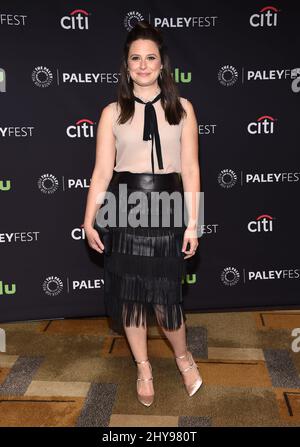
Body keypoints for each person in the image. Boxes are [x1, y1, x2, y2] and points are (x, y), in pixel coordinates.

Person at [84, 20, 202, 407]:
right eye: (136, 58)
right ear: (126, 64)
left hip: (167, 208)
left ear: (162, 64)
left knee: (167, 300)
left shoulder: (183, 109)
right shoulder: (111, 112)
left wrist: (193, 223)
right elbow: (102, 171)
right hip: (125, 207)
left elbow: (190, 170)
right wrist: (89, 219)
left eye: (150, 57)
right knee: (131, 298)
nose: (144, 64)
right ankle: (143, 366)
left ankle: (184, 359)